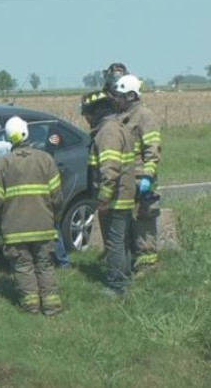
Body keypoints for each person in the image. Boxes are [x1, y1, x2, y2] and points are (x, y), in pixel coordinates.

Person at [0, 116, 65, 316]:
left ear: (9, 138)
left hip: (15, 231)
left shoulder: (4, 163)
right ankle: (52, 306)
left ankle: (31, 307)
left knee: (23, 266)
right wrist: (55, 219)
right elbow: (57, 197)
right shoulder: (46, 160)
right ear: (27, 133)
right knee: (45, 265)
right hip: (44, 227)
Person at [106, 74, 162, 275]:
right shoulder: (119, 118)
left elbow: (152, 149)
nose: (117, 100)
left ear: (130, 96)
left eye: (120, 96)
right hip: (125, 181)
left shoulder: (145, 116)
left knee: (143, 223)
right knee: (126, 226)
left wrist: (147, 176)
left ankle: (148, 266)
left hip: (141, 179)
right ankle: (128, 266)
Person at [81, 91, 136, 296]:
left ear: (94, 113)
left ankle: (116, 285)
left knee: (114, 242)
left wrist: (104, 198)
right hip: (123, 194)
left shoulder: (107, 132)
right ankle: (125, 278)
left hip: (115, 198)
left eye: (86, 115)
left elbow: (110, 169)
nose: (86, 120)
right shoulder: (117, 127)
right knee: (121, 240)